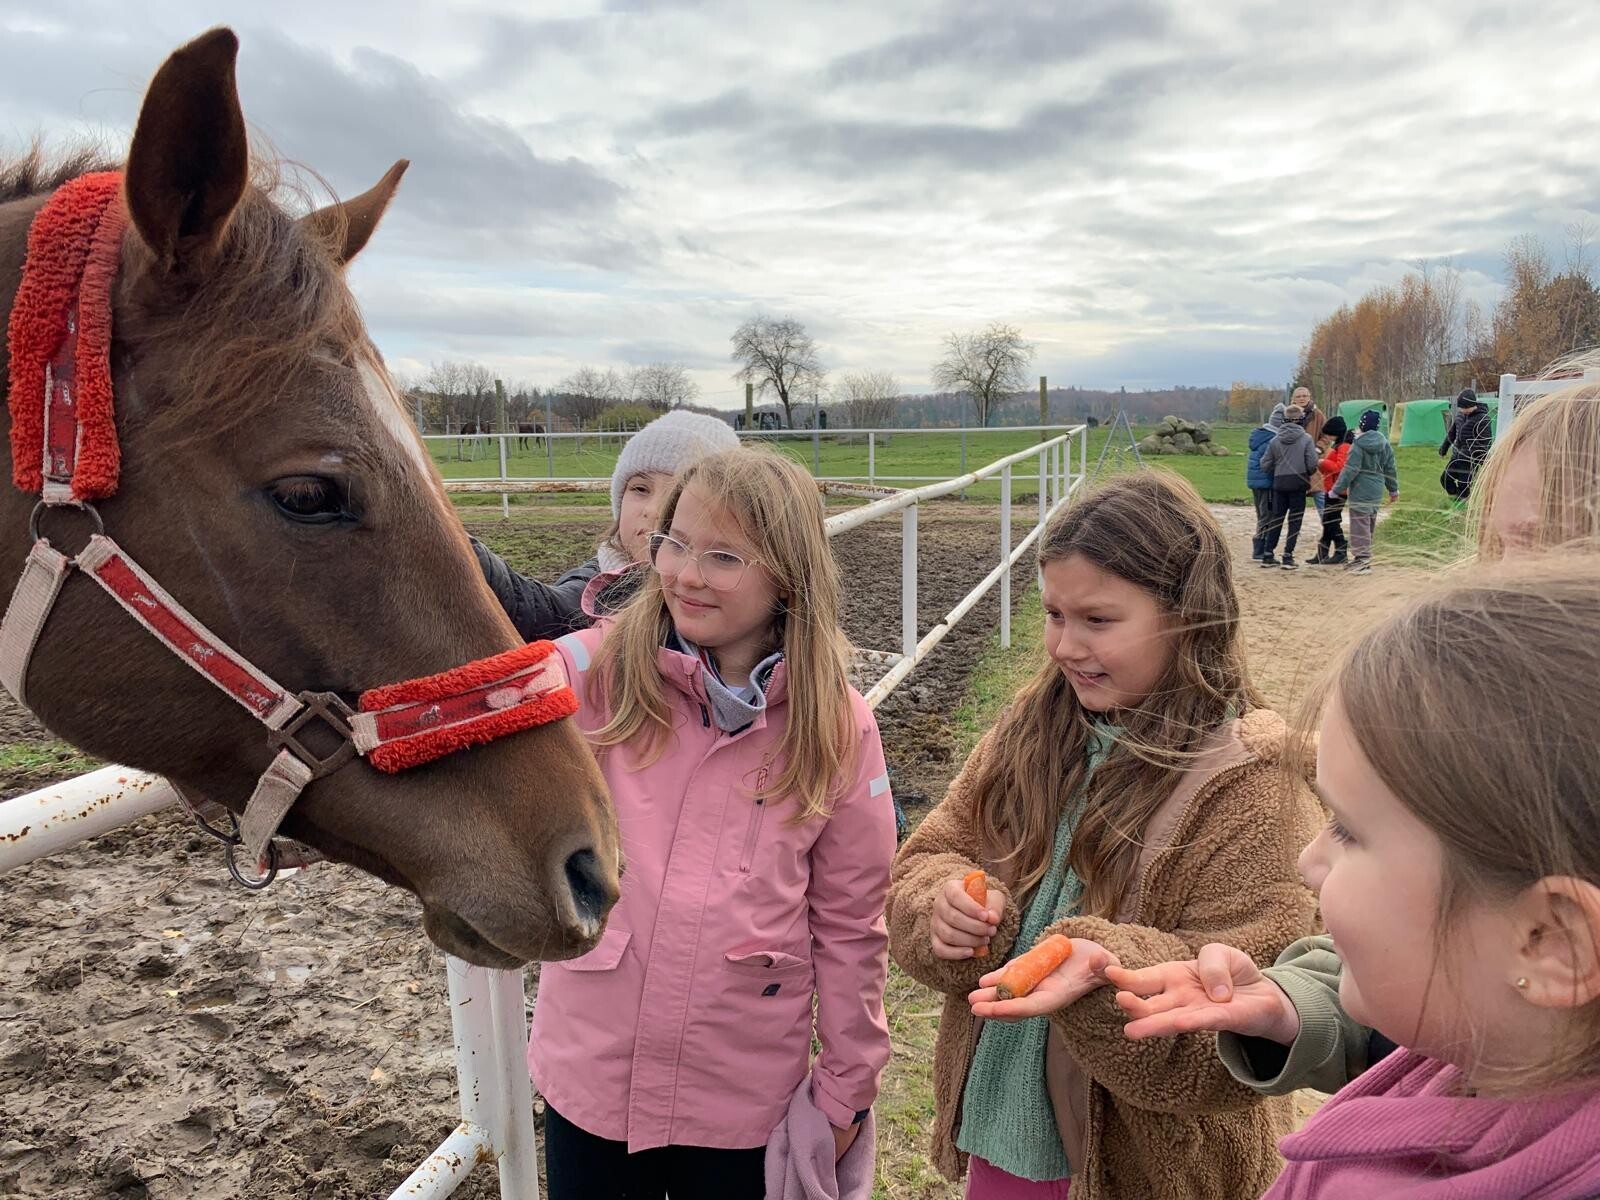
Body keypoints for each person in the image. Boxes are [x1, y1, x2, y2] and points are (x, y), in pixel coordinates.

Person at [885, 472, 1322, 1200]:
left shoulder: (1249, 785)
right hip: (1004, 1136)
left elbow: (1256, 984)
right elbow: (931, 853)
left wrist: (1104, 972)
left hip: (1148, 1167)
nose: (1064, 645)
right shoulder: (1028, 732)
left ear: (1189, 617)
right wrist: (941, 905)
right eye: (1054, 614)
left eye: (1097, 619)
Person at [1107, 558, 1600, 1198]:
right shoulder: (1486, 1059)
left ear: (1552, 941)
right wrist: (1292, 1007)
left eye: (1345, 830)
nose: (1307, 862)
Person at [528, 446, 896, 1200]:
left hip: (741, 1097)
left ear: (788, 575)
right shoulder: (597, 672)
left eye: (724, 556)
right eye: (675, 543)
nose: (687, 575)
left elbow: (853, 922)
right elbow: (492, 696)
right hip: (595, 1076)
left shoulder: (837, 726)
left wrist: (847, 1088)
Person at [473, 409, 739, 640]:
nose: (653, 510)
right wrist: (469, 557)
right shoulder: (598, 585)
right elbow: (544, 612)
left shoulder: (741, 598)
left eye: (676, 495)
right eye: (640, 489)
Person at [1330, 408, 1398, 574]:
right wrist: (1393, 490)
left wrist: (1336, 489)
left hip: (1360, 490)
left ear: (1362, 424)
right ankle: (1363, 557)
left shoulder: (1358, 445)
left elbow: (1350, 470)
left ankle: (1362, 560)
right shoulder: (1385, 443)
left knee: (1359, 524)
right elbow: (1390, 468)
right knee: (1369, 524)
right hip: (1376, 490)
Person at [1257, 403, 1320, 570]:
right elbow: (1312, 463)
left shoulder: (1275, 440)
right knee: (1295, 520)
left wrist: (1277, 470)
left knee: (1276, 518)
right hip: (1298, 483)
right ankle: (1287, 555)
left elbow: (1265, 464)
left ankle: (1268, 554)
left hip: (1279, 483)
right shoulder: (1306, 439)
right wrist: (1307, 472)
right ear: (1301, 420)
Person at [1439, 386, 1492, 501]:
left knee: (1464, 488)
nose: (1461, 410)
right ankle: (1456, 499)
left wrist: (1482, 461)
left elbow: (1486, 442)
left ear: (1471, 405)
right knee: (1445, 479)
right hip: (1456, 457)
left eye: (1464, 407)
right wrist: (1443, 449)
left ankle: (1462, 504)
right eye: (1461, 407)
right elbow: (1452, 434)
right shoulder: (1460, 416)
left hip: (1469, 460)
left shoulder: (1483, 419)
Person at [1246, 404, 1285, 561]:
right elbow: (1269, 463)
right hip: (1266, 482)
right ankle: (1260, 549)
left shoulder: (1260, 435)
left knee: (1261, 514)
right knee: (1267, 516)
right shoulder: (1273, 439)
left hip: (1256, 481)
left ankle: (1260, 546)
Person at [1309, 419, 1350, 565]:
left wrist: (1322, 463)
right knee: (1328, 521)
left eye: (1329, 434)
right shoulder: (1338, 445)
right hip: (1332, 488)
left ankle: (1341, 550)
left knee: (1331, 521)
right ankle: (1323, 552)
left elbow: (1340, 467)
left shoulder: (1344, 446)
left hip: (1338, 490)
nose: (1327, 437)